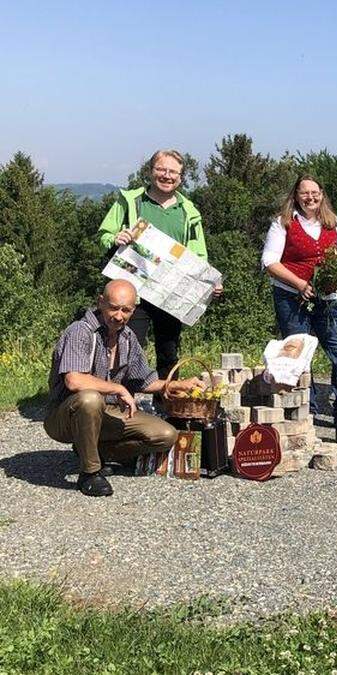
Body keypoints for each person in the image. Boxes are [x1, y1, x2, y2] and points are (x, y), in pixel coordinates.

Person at [43, 280, 201, 497]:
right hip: (64, 416)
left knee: (166, 434)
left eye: (126, 310)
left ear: (133, 310)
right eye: (114, 308)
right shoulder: (80, 331)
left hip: (106, 412)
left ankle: (92, 451)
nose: (119, 316)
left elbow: (144, 381)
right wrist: (117, 389)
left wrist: (173, 384)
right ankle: (90, 474)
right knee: (90, 399)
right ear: (101, 302)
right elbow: (74, 380)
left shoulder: (128, 337)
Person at [261, 175, 337, 445]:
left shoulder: (331, 222)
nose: (310, 197)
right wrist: (299, 283)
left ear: (322, 195)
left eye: (315, 193)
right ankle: (305, 414)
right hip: (291, 298)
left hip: (327, 299)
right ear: (296, 196)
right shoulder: (283, 223)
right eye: (304, 193)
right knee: (300, 357)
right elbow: (269, 261)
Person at [97, 149, 221, 379]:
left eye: (173, 171)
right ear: (150, 171)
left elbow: (198, 255)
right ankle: (118, 400)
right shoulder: (130, 201)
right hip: (134, 290)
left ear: (181, 177)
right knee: (126, 344)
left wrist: (209, 282)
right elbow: (104, 234)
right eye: (161, 169)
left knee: (169, 350)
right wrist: (115, 239)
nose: (167, 175)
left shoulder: (188, 211)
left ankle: (168, 405)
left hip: (171, 292)